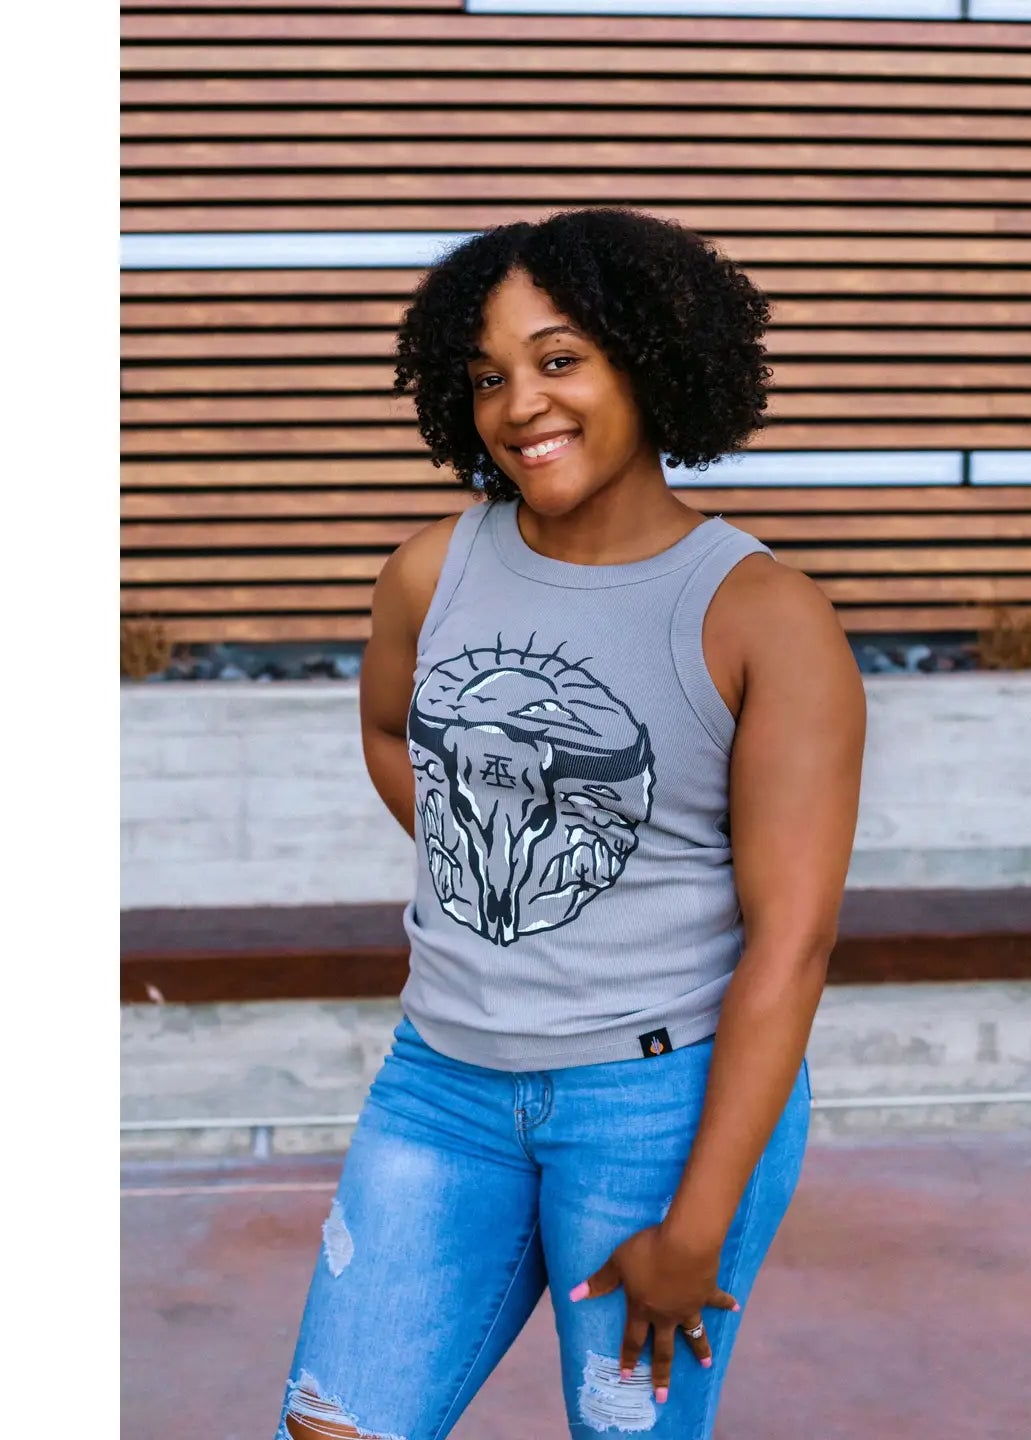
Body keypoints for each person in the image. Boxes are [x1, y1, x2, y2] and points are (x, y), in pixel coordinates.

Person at [273, 206, 866, 1440]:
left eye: (559, 359)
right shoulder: (431, 571)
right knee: (332, 1424)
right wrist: (507, 876)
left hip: (657, 1108)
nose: (520, 405)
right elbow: (390, 732)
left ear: (649, 360)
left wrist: (698, 1223)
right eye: (488, 375)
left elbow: (792, 943)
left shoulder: (763, 616)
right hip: (440, 1086)